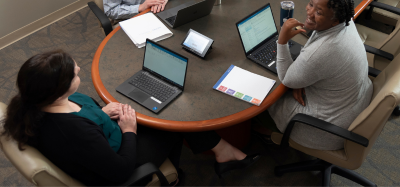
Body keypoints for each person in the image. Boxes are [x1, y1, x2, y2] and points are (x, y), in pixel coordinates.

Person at [1, 50, 260, 186]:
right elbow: (119, 171)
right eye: (74, 73)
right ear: (57, 90)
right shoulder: (73, 133)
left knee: (161, 111)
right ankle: (176, 176)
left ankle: (221, 150)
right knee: (173, 122)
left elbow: (84, 132)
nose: (79, 69)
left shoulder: (39, 104)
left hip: (102, 139)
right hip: (121, 164)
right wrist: (128, 130)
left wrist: (101, 115)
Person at [257, 0, 373, 150]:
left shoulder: (323, 51)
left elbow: (287, 79)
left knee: (265, 95)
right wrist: (301, 79)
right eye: (311, 4)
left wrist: (281, 41)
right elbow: (313, 66)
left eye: (319, 12)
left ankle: (264, 132)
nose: (310, 12)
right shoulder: (346, 23)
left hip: (326, 129)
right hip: (351, 107)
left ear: (335, 20)